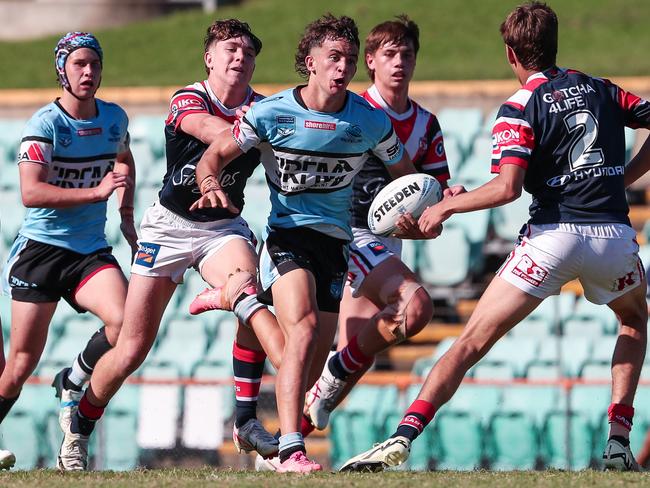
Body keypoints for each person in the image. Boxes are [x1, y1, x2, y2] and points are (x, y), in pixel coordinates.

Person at [341, 1, 650, 472]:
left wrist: (445, 205)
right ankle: (618, 441)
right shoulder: (601, 88)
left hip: (553, 236)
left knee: (469, 344)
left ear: (511, 54)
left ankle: (403, 437)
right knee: (633, 320)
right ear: (554, 44)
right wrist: (625, 176)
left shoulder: (519, 106)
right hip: (613, 236)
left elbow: (507, 188)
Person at [189, 14, 421, 473]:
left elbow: (407, 178)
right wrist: (209, 180)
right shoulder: (271, 113)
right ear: (309, 63)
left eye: (350, 61)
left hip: (336, 245)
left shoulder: (370, 122)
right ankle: (294, 450)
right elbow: (213, 155)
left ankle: (239, 303)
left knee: (310, 365)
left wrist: (420, 214)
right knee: (306, 328)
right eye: (333, 58)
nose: (343, 68)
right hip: (287, 237)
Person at [54, 19, 285, 471]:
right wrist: (266, 129)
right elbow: (216, 134)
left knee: (249, 291)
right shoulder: (189, 97)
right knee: (133, 348)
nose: (240, 58)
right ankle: (79, 427)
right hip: (169, 226)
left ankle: (245, 420)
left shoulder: (265, 107)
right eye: (230, 49)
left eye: (249, 53)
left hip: (222, 226)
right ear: (210, 58)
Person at [302, 14, 464, 437]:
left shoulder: (427, 124)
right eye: (389, 54)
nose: (399, 63)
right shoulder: (354, 109)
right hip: (348, 234)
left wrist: (445, 206)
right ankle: (292, 426)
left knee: (359, 351)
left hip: (389, 243)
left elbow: (435, 198)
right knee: (412, 310)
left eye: (406, 54)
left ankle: (290, 437)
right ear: (370, 61)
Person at [0, 32, 137, 470]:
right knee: (18, 368)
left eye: (94, 64)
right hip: (41, 252)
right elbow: (30, 191)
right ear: (62, 69)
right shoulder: (45, 124)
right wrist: (95, 192)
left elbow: (125, 158)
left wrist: (127, 214)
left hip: (88, 251)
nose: (88, 72)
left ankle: (73, 378)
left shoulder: (114, 118)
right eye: (78, 64)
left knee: (125, 321)